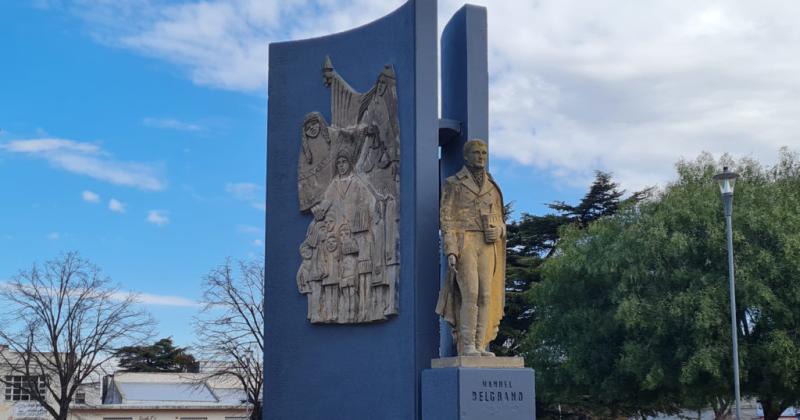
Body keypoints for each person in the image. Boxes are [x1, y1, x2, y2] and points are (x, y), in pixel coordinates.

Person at [437, 139, 506, 357]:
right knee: (471, 293)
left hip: (487, 244)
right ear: (466, 156)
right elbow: (446, 218)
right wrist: (450, 249)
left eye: (484, 153)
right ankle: (466, 346)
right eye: (476, 153)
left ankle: (480, 344)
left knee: (486, 294)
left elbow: (501, 220)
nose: (481, 156)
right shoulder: (453, 183)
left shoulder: (493, 186)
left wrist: (500, 231)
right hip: (465, 241)